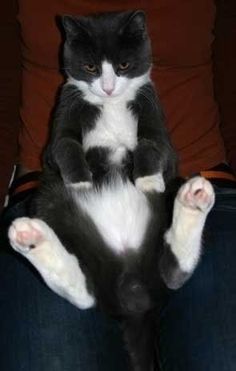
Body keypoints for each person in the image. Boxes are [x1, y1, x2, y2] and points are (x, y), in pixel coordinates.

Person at [1, 0, 236, 370]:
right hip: (81, 219)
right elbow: (60, 145)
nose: (108, 87)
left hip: (172, 196)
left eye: (121, 69)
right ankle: (75, 280)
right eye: (94, 71)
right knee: (51, 357)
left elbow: (160, 149)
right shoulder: (75, 93)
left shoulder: (143, 92)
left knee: (225, 353)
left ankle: (179, 245)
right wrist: (74, 175)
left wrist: (149, 162)